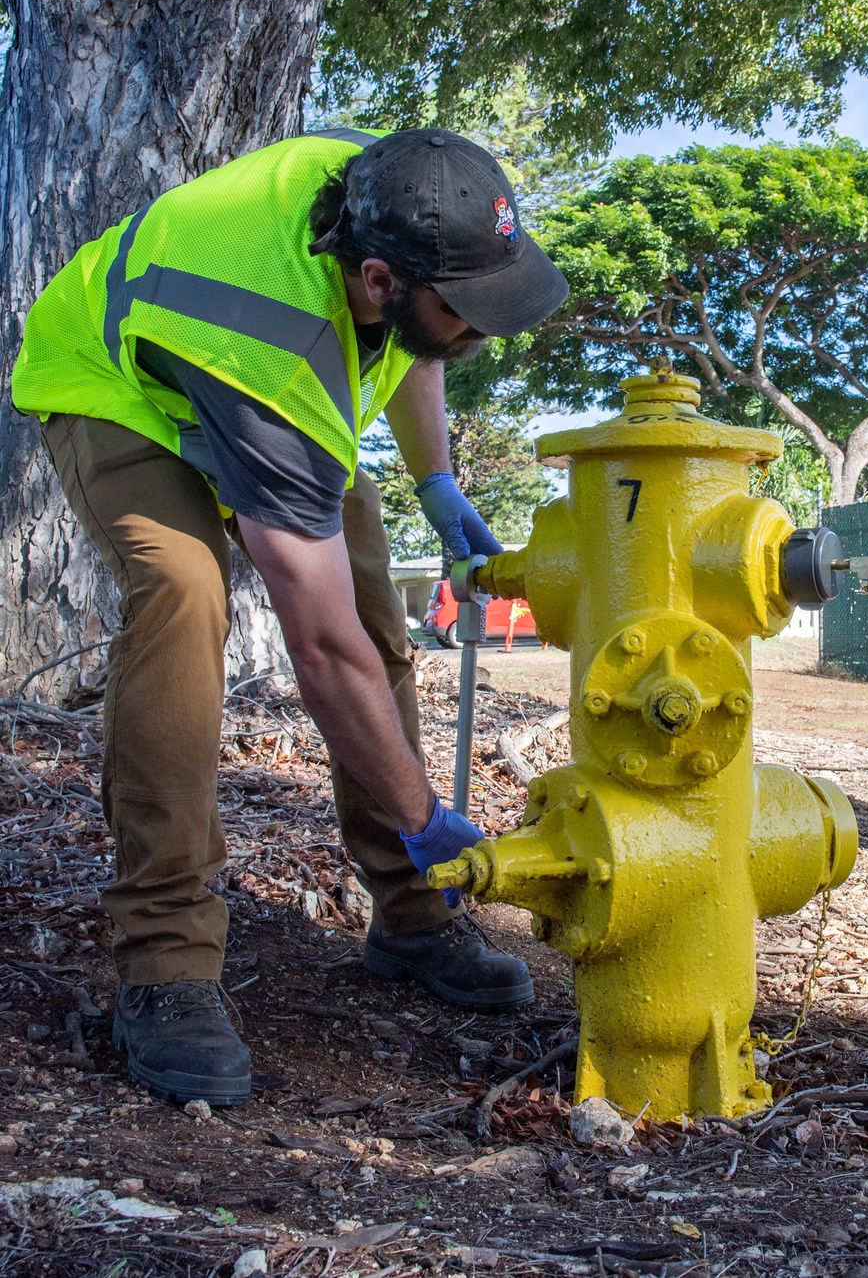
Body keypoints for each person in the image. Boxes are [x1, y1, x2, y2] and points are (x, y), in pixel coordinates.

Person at [11, 126, 569, 1105]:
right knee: (183, 597)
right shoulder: (279, 349)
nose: (487, 332)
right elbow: (317, 650)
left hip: (256, 367)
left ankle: (411, 916)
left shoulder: (396, 191)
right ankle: (164, 966)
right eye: (469, 311)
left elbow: (425, 346)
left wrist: (436, 480)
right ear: (376, 281)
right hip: (119, 382)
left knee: (374, 615)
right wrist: (425, 816)